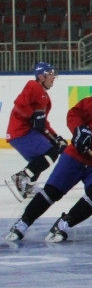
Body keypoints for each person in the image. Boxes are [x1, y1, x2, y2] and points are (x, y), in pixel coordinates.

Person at [5, 79, 92, 243]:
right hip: (75, 157)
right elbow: (75, 113)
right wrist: (79, 129)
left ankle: (64, 224)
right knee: (52, 192)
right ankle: (23, 223)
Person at [5, 62, 66, 200]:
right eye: (50, 74)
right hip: (19, 132)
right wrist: (31, 116)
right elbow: (19, 105)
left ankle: (28, 185)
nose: (53, 77)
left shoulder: (46, 98)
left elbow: (43, 123)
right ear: (41, 76)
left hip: (25, 132)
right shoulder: (33, 86)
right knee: (50, 152)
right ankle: (21, 177)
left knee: (42, 157)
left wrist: (56, 137)